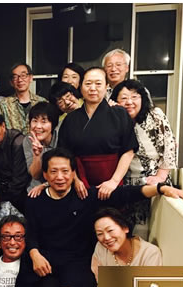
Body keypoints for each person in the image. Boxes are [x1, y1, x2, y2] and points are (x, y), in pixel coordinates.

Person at [27, 148, 183, 287]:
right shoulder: (36, 200)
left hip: (81, 268)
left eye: (65, 171)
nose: (60, 177)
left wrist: (161, 188)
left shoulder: (85, 196)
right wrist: (34, 253)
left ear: (73, 173)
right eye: (54, 172)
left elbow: (125, 194)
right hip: (49, 267)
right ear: (45, 175)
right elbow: (31, 231)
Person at [58, 66, 138, 200]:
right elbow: (64, 154)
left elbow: (129, 150)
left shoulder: (119, 114)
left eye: (98, 83)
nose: (93, 88)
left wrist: (114, 181)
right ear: (80, 87)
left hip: (112, 181)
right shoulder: (71, 119)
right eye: (88, 83)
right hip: (80, 184)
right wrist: (75, 180)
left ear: (107, 86)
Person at [112, 79, 177, 238]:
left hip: (154, 180)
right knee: (130, 230)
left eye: (134, 97)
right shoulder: (114, 121)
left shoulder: (155, 115)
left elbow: (169, 145)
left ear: (142, 98)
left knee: (155, 230)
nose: (129, 102)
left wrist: (161, 176)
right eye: (123, 98)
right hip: (127, 184)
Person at [0, 63, 47, 134]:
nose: (20, 80)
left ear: (31, 78)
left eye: (23, 75)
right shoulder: (4, 105)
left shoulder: (42, 102)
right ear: (11, 82)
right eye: (15, 77)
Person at [22, 102, 59, 192]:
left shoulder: (61, 137)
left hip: (59, 185)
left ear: (53, 124)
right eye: (35, 121)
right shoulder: (28, 140)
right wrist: (37, 156)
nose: (38, 126)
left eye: (44, 121)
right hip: (36, 188)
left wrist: (45, 185)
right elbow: (35, 175)